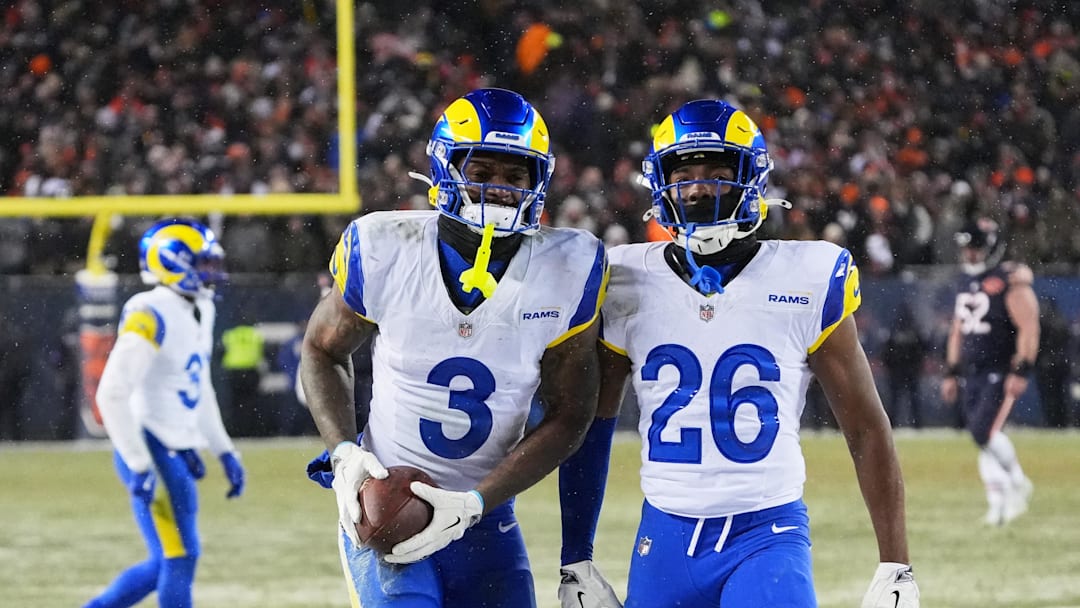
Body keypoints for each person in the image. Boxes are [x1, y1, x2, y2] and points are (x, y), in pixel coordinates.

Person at [585, 99, 919, 607]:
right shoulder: (626, 278)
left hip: (766, 532)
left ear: (751, 181)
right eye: (684, 175)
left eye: (717, 174)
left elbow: (866, 427)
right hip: (664, 535)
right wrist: (576, 556)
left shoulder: (806, 278)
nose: (698, 189)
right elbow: (591, 427)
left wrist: (896, 563)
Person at [300, 88, 617, 608]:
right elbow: (321, 349)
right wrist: (343, 453)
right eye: (482, 171)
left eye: (515, 176)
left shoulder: (569, 267)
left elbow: (571, 415)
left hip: (486, 517)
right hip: (386, 501)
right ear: (445, 171)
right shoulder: (385, 247)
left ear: (538, 182)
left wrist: (473, 502)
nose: (498, 189)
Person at [84, 219, 246, 608]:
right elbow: (112, 393)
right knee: (179, 557)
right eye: (203, 263)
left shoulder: (200, 307)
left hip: (173, 447)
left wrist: (223, 449)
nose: (211, 272)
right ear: (173, 263)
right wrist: (139, 463)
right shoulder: (150, 310)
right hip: (151, 447)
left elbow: (198, 386)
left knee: (168, 560)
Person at [941, 218, 1038, 526]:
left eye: (976, 247)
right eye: (967, 247)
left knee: (983, 431)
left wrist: (1021, 368)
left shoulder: (1009, 278)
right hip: (972, 370)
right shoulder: (964, 280)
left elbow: (1029, 325)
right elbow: (958, 329)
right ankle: (998, 504)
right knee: (982, 437)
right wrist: (951, 370)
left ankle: (1018, 480)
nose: (970, 253)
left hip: (999, 368)